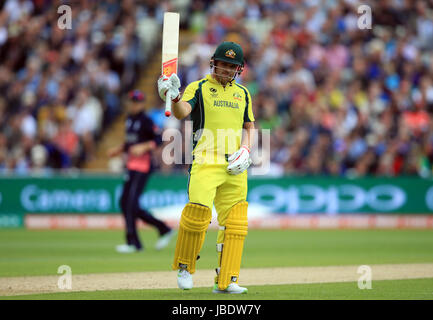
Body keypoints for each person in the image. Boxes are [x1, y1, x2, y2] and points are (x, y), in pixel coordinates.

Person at [157, 42, 255, 294]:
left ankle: (226, 280)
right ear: (214, 62)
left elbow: (249, 126)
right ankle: (184, 267)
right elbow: (181, 112)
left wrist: (246, 150)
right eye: (222, 63)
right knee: (198, 214)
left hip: (235, 163)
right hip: (205, 159)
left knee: (236, 223)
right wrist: (173, 96)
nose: (225, 69)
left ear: (238, 69)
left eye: (231, 66)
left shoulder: (243, 93)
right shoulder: (199, 87)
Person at [108, 90, 175, 253]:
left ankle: (134, 243)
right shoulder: (129, 119)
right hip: (131, 166)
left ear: (142, 103)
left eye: (137, 102)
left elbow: (158, 139)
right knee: (126, 203)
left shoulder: (146, 120)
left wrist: (144, 147)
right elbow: (130, 142)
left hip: (143, 167)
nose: (133, 104)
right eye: (132, 101)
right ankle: (163, 228)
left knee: (130, 203)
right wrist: (119, 149)